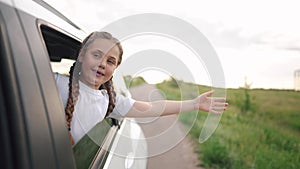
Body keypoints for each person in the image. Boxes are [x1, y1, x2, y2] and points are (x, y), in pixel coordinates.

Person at [54, 31, 228, 145]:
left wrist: (194, 104)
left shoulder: (108, 101)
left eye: (110, 61)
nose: (102, 64)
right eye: (96, 55)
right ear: (82, 55)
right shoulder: (55, 83)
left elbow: (153, 107)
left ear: (115, 69)